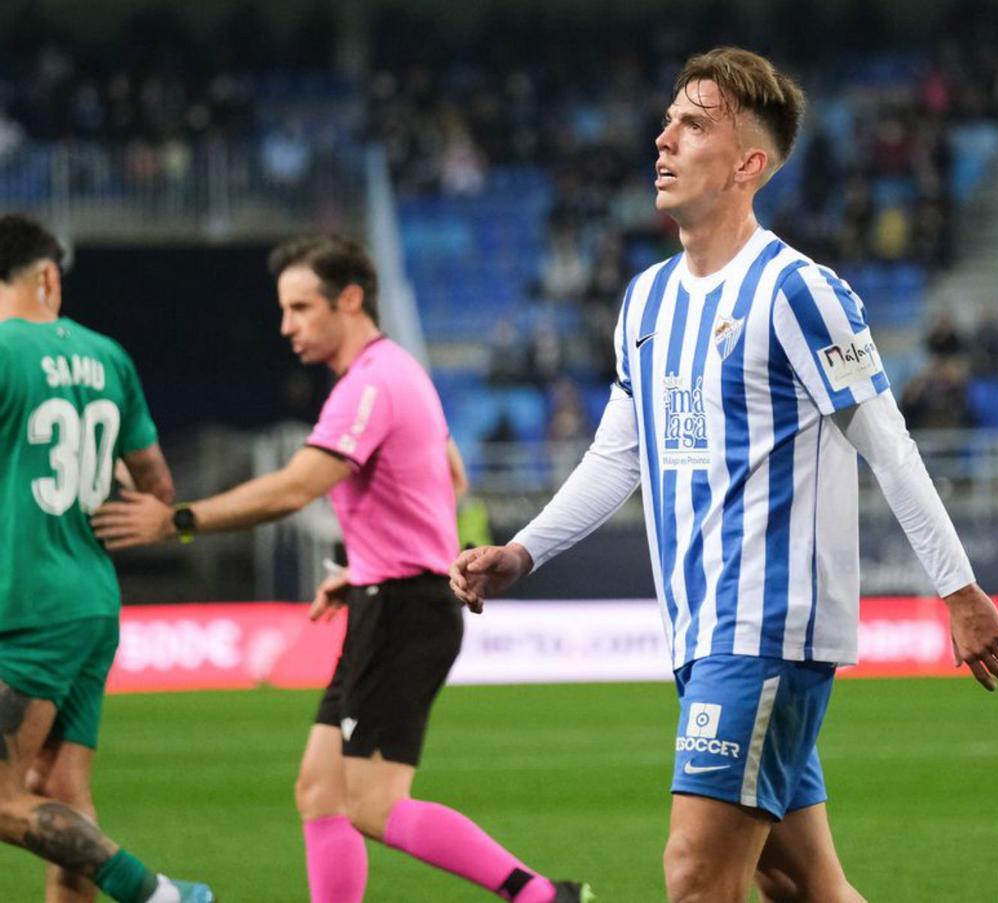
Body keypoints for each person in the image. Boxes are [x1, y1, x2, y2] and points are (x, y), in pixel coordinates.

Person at [450, 48, 998, 903]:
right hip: (700, 632)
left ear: (749, 164)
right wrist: (523, 552)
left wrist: (959, 588)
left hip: (766, 630)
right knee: (803, 884)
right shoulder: (645, 301)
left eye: (692, 123)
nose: (662, 138)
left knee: (694, 872)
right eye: (669, 118)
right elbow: (621, 455)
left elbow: (890, 445)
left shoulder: (799, 291)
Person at [91, 235, 593, 903]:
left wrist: (179, 519)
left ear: (349, 300)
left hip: (403, 608)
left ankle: (543, 897)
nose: (285, 325)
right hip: (387, 596)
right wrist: (365, 563)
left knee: (374, 805)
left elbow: (296, 487)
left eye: (300, 307)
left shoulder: (370, 384)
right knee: (320, 790)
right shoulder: (401, 372)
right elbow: (451, 471)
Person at [0, 213, 213, 903]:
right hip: (93, 597)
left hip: (27, 603)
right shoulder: (107, 356)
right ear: (48, 277)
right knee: (61, 793)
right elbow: (156, 485)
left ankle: (157, 895)